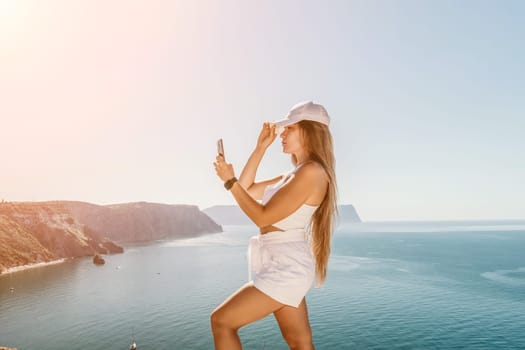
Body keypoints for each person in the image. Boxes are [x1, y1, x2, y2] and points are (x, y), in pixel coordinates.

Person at [212, 101, 338, 350]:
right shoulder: (291, 175)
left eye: (289, 128)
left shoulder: (312, 172)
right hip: (281, 260)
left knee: (221, 321)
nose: (282, 133)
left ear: (308, 131)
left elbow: (262, 216)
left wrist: (229, 182)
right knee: (299, 343)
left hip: (287, 266)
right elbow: (246, 188)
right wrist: (260, 148)